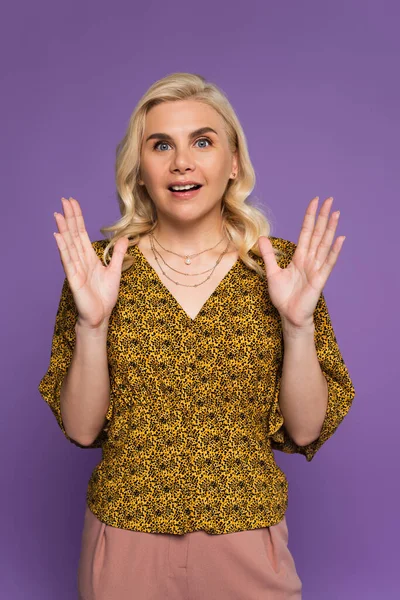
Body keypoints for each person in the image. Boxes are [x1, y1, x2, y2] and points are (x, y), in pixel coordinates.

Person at [38, 72, 355, 600]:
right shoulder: (100, 269)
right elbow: (81, 427)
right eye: (161, 145)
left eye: (202, 141)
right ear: (139, 170)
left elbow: (304, 432)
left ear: (233, 163)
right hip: (126, 541)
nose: (181, 161)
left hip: (246, 538)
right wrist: (91, 326)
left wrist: (298, 326)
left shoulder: (278, 267)